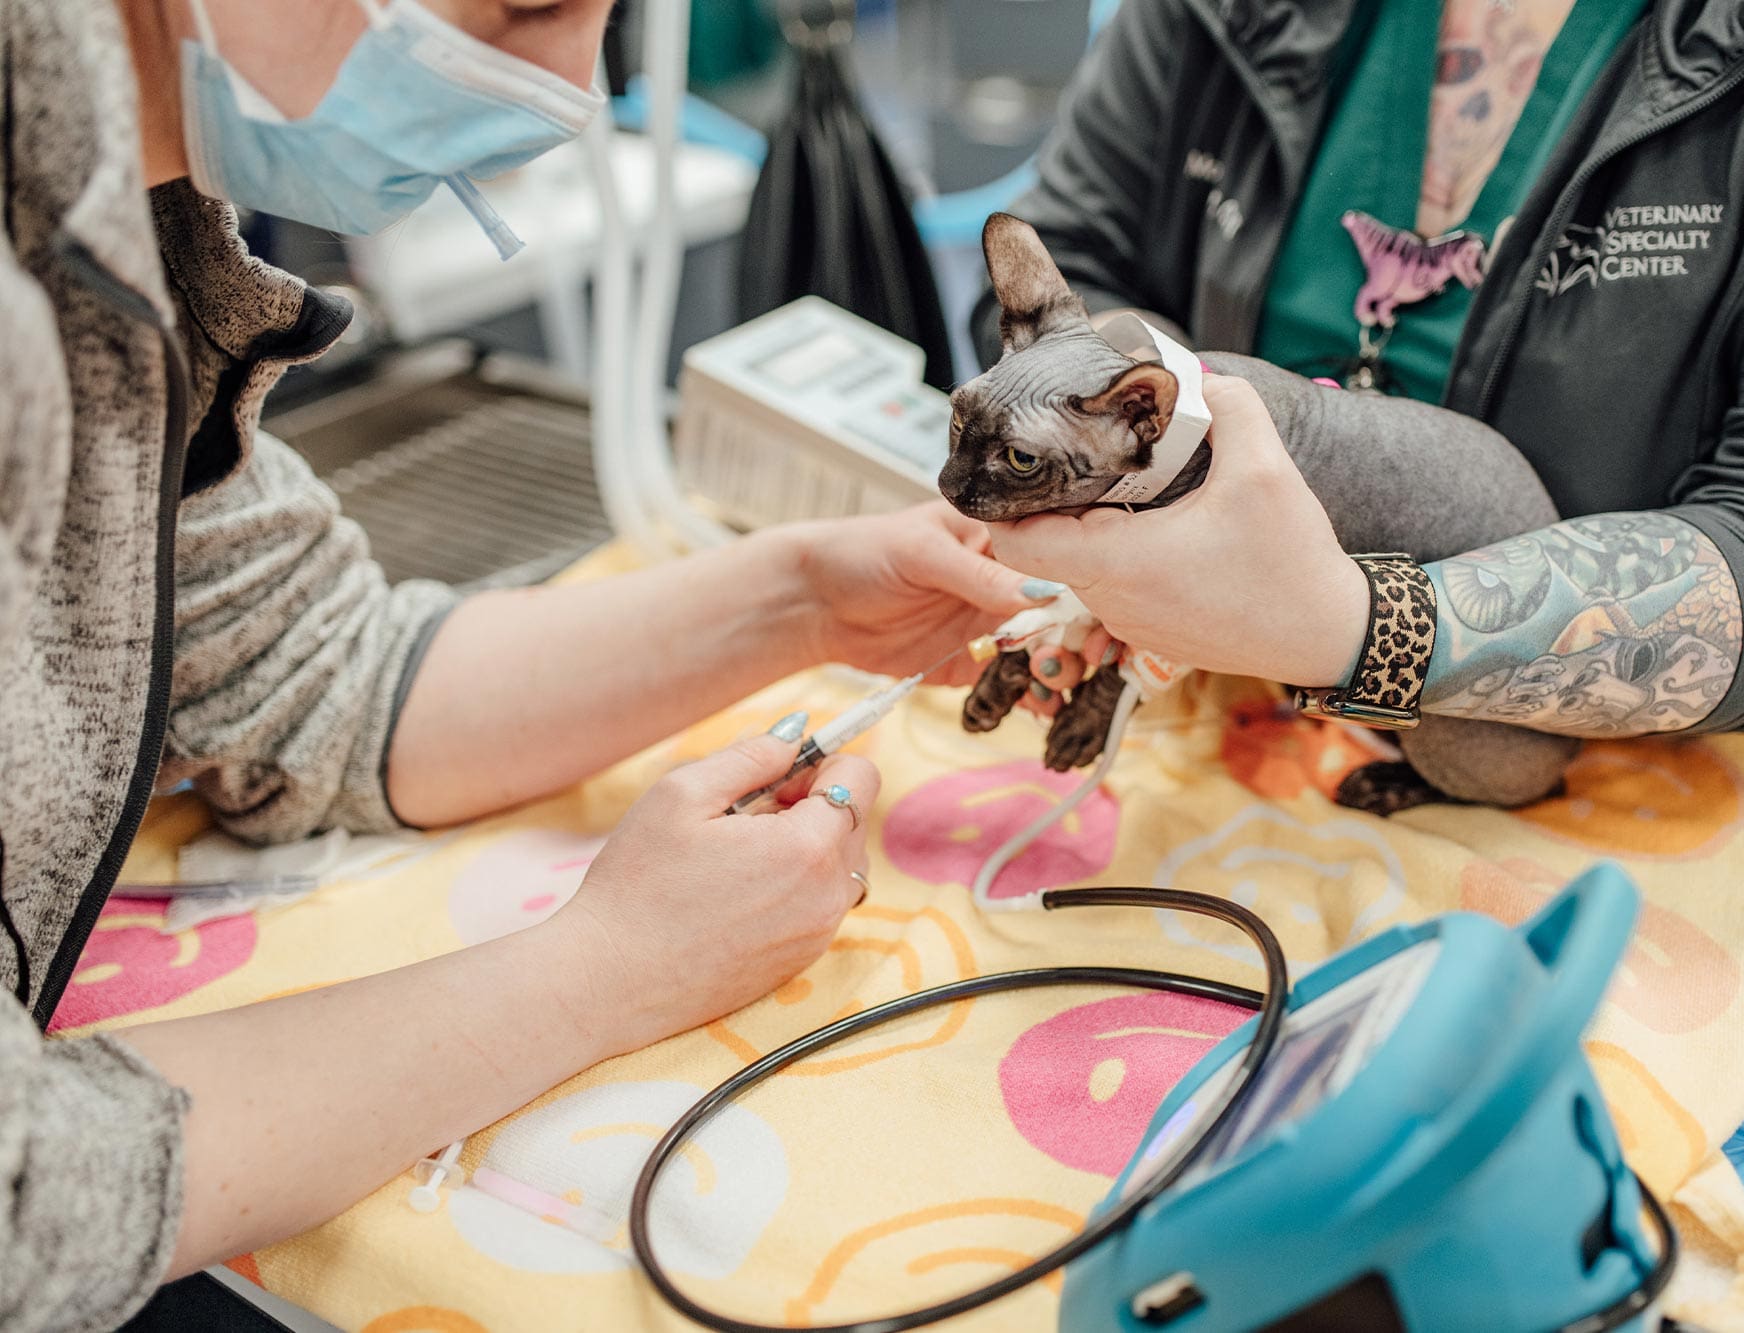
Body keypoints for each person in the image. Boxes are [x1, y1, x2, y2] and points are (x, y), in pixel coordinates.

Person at [0, 2, 1052, 1326]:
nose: (566, 91)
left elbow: (313, 675)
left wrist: (803, 601)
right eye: (526, 9)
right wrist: (600, 970)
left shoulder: (120, 232)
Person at [977, 0, 1744, 748]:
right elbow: (1064, 266)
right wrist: (1132, 487)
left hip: (1653, 784)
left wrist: (1352, 628)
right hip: (1209, 723)